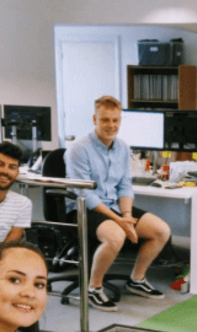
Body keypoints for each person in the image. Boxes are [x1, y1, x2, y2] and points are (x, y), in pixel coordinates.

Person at [64, 95, 172, 312]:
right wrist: (120, 221)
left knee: (161, 231)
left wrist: (127, 215)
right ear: (94, 119)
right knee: (116, 236)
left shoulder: (122, 147)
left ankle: (136, 280)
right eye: (105, 120)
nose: (111, 125)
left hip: (113, 205)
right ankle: (94, 288)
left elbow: (125, 186)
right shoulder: (78, 149)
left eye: (115, 120)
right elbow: (86, 194)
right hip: (83, 208)